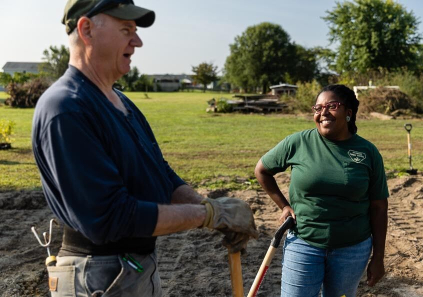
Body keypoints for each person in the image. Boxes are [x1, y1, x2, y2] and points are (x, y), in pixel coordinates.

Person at [32, 1, 258, 296]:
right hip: (97, 277)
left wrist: (211, 210)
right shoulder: (66, 108)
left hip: (132, 269)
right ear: (86, 29)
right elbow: (110, 217)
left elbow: (160, 174)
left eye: (135, 31)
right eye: (126, 29)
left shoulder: (122, 102)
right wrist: (209, 215)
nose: (137, 42)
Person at [254, 84, 389, 297]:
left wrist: (378, 257)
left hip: (352, 250)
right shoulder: (298, 142)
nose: (323, 113)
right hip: (303, 242)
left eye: (332, 106)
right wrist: (284, 205)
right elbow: (262, 170)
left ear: (349, 113)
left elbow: (379, 207)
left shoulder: (368, 152)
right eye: (318, 108)